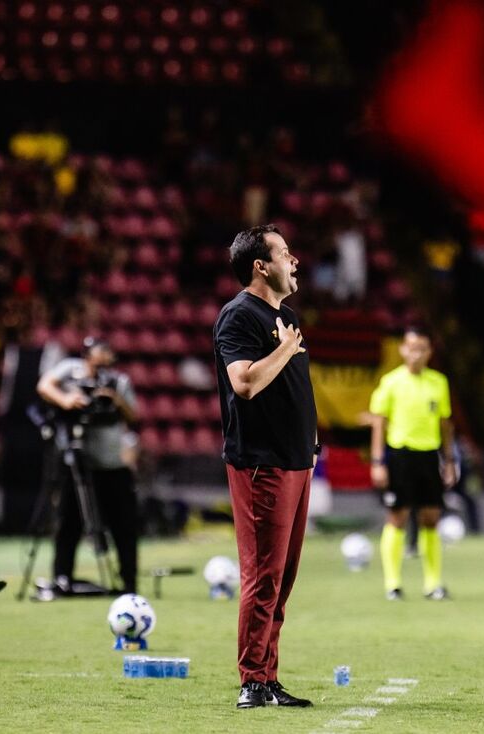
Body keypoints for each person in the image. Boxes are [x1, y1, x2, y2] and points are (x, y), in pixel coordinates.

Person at [214, 223, 318, 710]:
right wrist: (284, 347)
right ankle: (252, 681)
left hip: (296, 464)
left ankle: (268, 677)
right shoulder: (238, 316)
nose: (294, 261)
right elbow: (246, 385)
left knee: (284, 576)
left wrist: (311, 445)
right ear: (261, 265)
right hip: (262, 466)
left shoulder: (287, 316)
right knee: (263, 576)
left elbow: (294, 394)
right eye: (285, 253)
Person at [36, 336, 140, 595]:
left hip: (112, 464)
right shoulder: (70, 371)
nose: (103, 358)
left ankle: (128, 581)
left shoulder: (118, 381)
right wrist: (67, 400)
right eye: (98, 352)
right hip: (77, 463)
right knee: (68, 523)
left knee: (123, 525)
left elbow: (133, 416)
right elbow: (45, 386)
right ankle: (62, 577)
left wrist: (115, 400)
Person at [369, 326, 455, 601]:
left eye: (422, 348)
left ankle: (433, 584)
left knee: (431, 517)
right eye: (411, 347)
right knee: (397, 517)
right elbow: (379, 424)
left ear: (429, 352)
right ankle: (392, 583)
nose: (416, 353)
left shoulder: (439, 382)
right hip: (400, 456)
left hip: (429, 456)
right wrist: (377, 461)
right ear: (403, 349)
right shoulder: (391, 382)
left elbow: (445, 424)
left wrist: (450, 461)